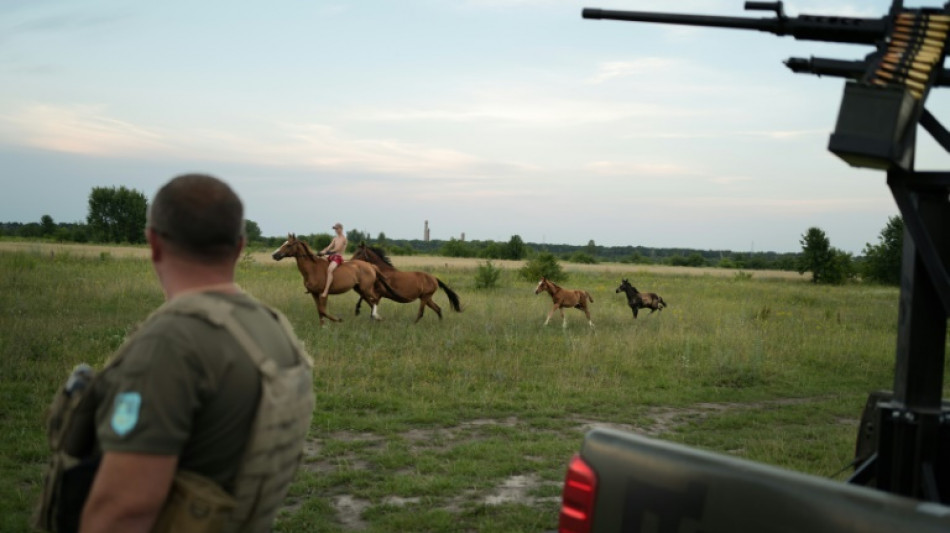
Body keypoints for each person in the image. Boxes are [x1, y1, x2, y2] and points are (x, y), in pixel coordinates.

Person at [71, 174, 314, 532]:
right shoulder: (274, 328)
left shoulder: (169, 344)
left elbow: (123, 513)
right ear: (239, 247)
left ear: (154, 243)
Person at [317, 222, 348, 299]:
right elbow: (329, 247)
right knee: (318, 261)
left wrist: (327, 252)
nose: (336, 230)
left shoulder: (343, 239)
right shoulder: (335, 238)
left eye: (337, 229)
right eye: (335, 229)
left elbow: (337, 249)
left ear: (341, 229)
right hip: (332, 256)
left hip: (338, 257)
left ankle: (326, 291)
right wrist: (322, 252)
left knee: (330, 270)